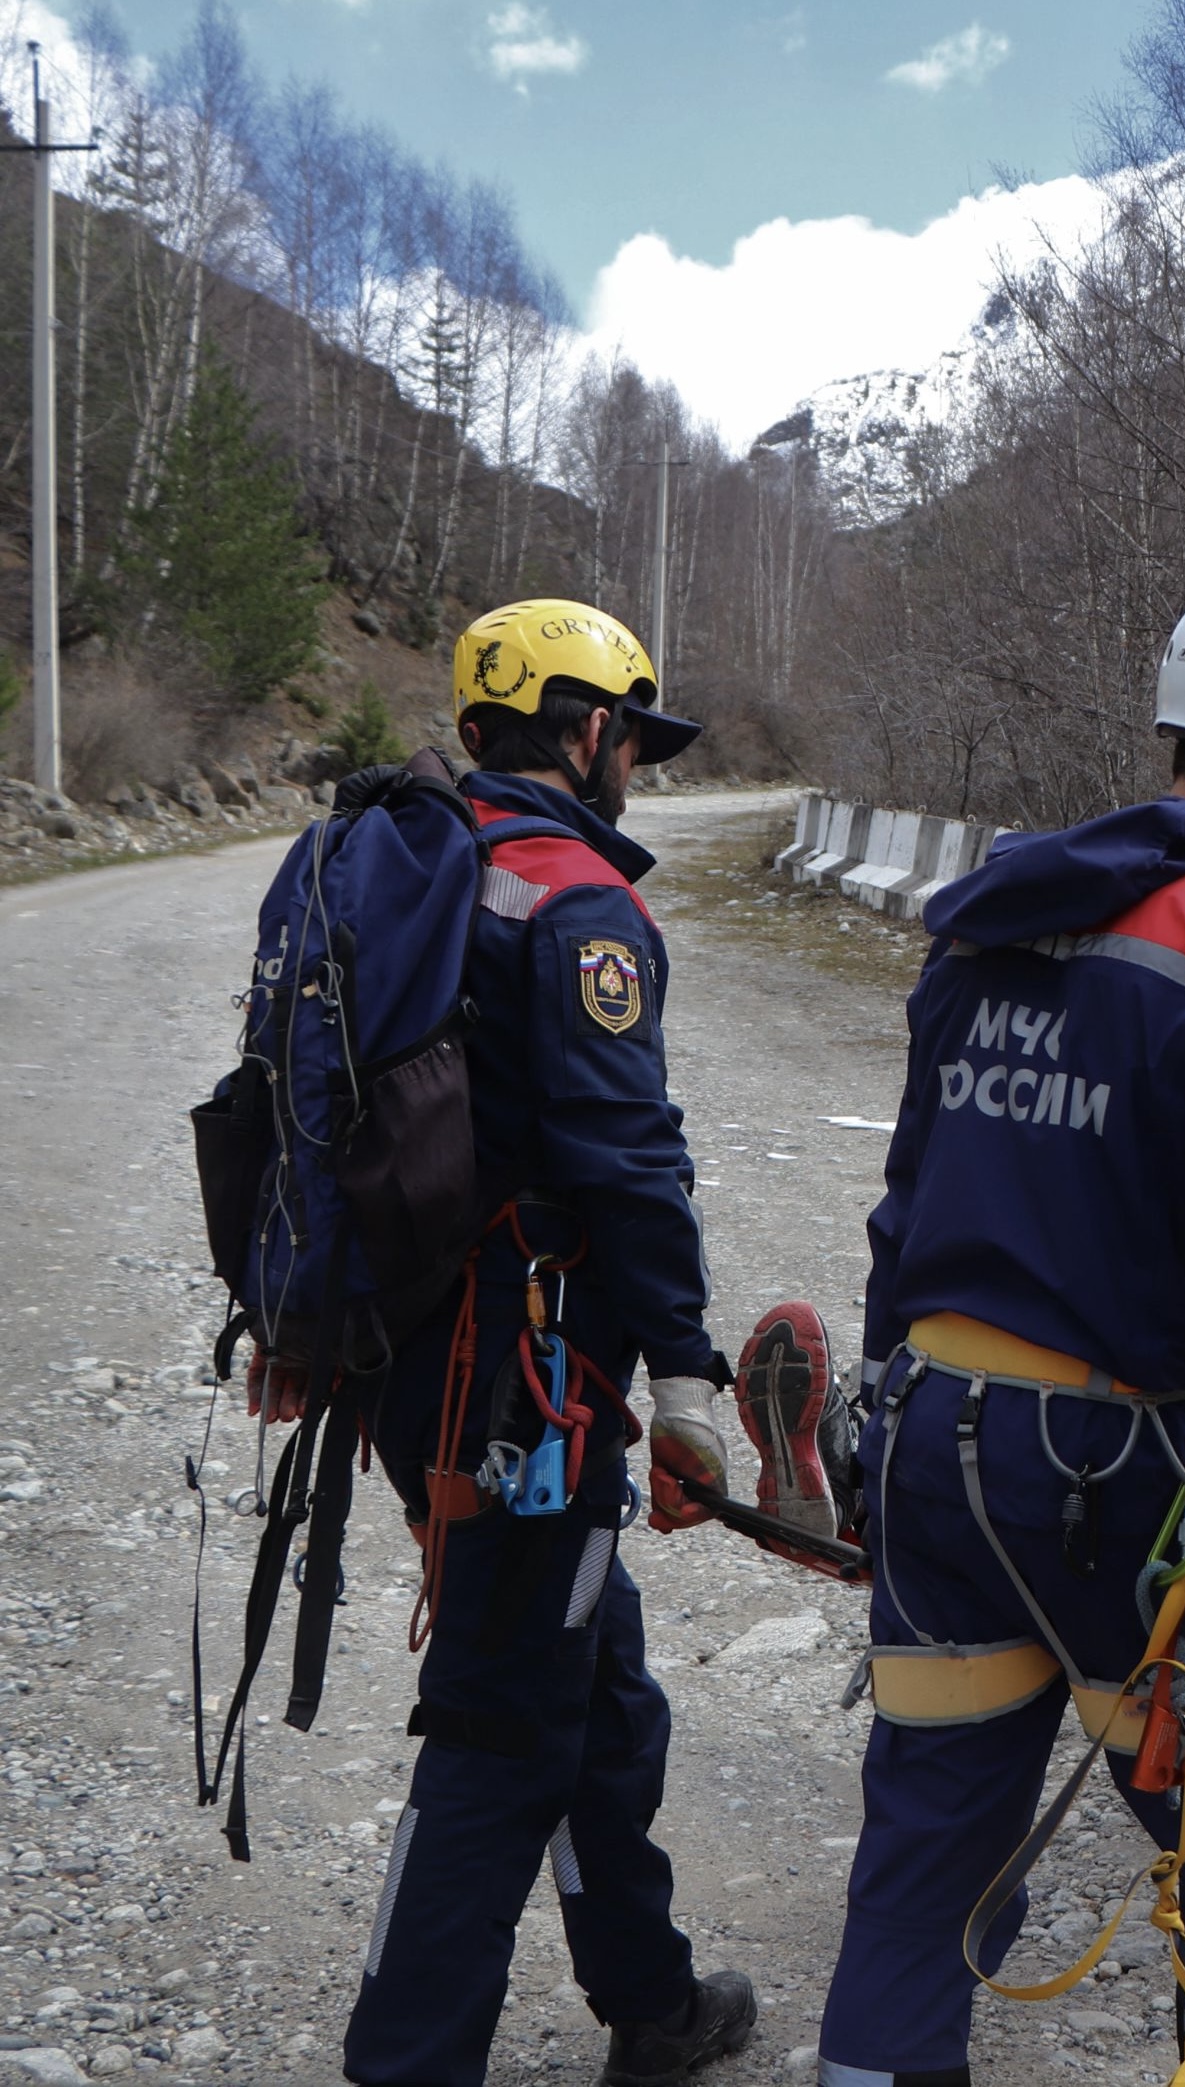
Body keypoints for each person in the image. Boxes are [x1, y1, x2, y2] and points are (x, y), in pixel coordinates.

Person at [816, 575, 1185, 2087]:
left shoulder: (1001, 919)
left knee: (926, 1861)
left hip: (936, 1436)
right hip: (1117, 1477)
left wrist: (874, 1425)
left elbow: (907, 1203)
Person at [346, 600, 756, 2086]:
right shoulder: (578, 902)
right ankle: (403, 2061)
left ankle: (649, 1999)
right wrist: (687, 1371)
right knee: (500, 1723)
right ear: (588, 730)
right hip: (525, 1387)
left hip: (406, 1357)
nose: (633, 763)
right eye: (631, 736)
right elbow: (628, 1158)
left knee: (600, 1683)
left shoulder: (397, 862)